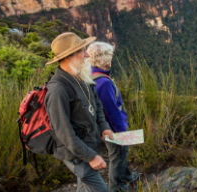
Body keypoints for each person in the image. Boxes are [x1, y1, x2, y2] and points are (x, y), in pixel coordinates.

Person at [44, 32, 114, 192]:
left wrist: (103, 126)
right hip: (76, 154)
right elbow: (64, 133)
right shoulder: (57, 90)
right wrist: (90, 156)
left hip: (88, 145)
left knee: (84, 188)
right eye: (82, 51)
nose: (87, 54)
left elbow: (95, 103)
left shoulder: (81, 77)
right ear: (69, 56)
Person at [86, 42, 139, 191]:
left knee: (118, 154)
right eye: (110, 56)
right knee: (119, 154)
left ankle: (128, 177)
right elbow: (112, 112)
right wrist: (123, 132)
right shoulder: (103, 83)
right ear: (107, 60)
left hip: (101, 127)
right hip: (112, 128)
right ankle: (116, 186)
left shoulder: (90, 75)